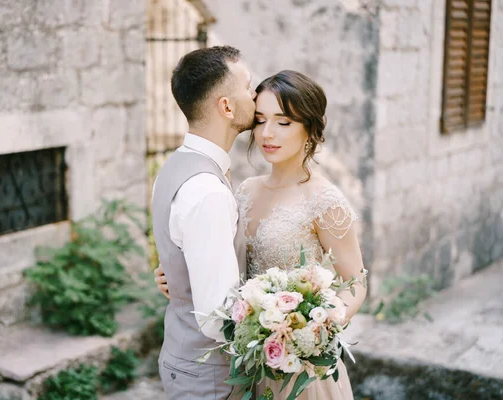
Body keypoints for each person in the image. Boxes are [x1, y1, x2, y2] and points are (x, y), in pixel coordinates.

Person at [155, 70, 367, 399]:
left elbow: (356, 283)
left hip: (300, 368)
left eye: (283, 122)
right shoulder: (244, 190)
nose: (267, 133)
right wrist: (179, 275)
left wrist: (313, 328)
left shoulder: (325, 202)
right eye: (260, 120)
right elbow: (221, 262)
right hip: (247, 361)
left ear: (310, 127)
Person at [151, 45, 256, 400]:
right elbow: (218, 318)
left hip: (183, 358)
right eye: (249, 86)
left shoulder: (177, 166)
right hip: (210, 379)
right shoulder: (207, 191)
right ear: (226, 106)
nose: (255, 96)